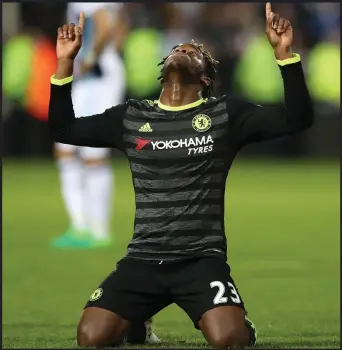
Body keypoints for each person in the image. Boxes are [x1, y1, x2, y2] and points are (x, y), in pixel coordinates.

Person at [48, 3, 314, 348]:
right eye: (178, 48)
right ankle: (138, 323)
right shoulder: (131, 116)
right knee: (91, 337)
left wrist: (284, 55)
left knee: (230, 339)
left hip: (200, 261)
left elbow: (298, 119)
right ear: (164, 69)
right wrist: (65, 63)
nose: (184, 49)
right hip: (141, 259)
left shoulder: (225, 114)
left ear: (206, 77)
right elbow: (63, 128)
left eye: (196, 51)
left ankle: (236, 318)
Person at [51, 3, 126, 249]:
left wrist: (91, 57)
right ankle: (80, 226)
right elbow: (119, 26)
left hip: (98, 76)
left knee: (93, 154)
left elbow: (105, 22)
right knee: (65, 147)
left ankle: (98, 229)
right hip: (89, 77)